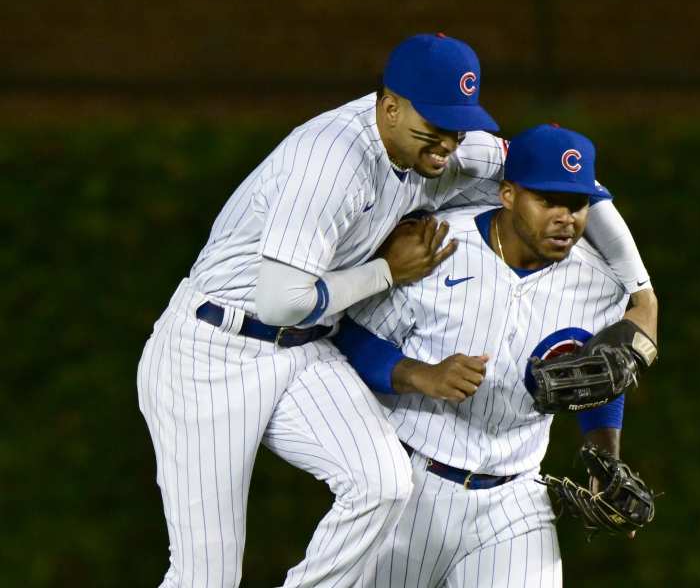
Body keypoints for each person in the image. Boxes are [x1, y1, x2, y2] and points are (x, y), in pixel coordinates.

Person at [137, 32, 654, 588]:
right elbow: (279, 299)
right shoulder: (330, 161)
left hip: (305, 346)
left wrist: (641, 292)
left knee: (382, 482)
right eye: (433, 129)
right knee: (206, 572)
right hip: (214, 344)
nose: (448, 146)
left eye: (456, 128)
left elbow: (579, 184)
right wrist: (386, 273)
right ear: (389, 105)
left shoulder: (440, 145)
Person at [333, 124, 641, 587]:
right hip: (411, 485)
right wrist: (418, 374)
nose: (565, 218)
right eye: (548, 200)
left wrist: (605, 457)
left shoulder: (600, 284)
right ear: (509, 194)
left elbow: (599, 377)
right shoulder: (437, 245)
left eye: (576, 205)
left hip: (516, 498)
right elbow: (350, 338)